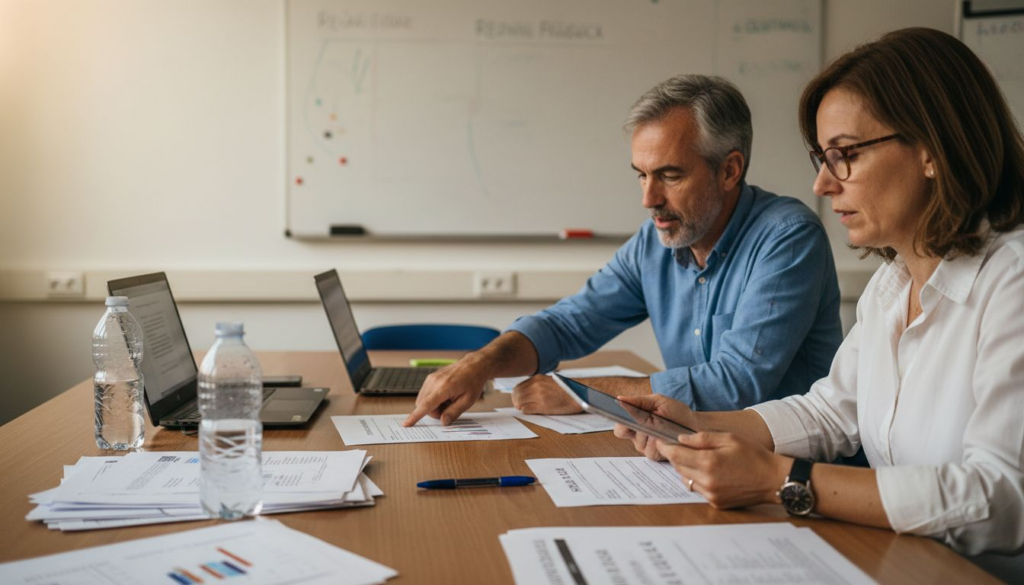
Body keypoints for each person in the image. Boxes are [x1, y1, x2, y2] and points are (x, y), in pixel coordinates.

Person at [612, 28, 1024, 576]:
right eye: (823, 158)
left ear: (932, 150)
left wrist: (780, 480)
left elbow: (1000, 500)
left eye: (845, 155)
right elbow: (831, 410)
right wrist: (696, 422)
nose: (822, 185)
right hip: (896, 560)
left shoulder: (1012, 282)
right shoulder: (893, 283)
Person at [404, 75, 843, 428]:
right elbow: (569, 324)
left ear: (729, 170)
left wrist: (585, 394)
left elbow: (737, 385)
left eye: (669, 176)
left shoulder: (788, 238)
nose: (648, 199)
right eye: (641, 175)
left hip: (786, 470)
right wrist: (480, 364)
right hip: (694, 456)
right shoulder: (656, 242)